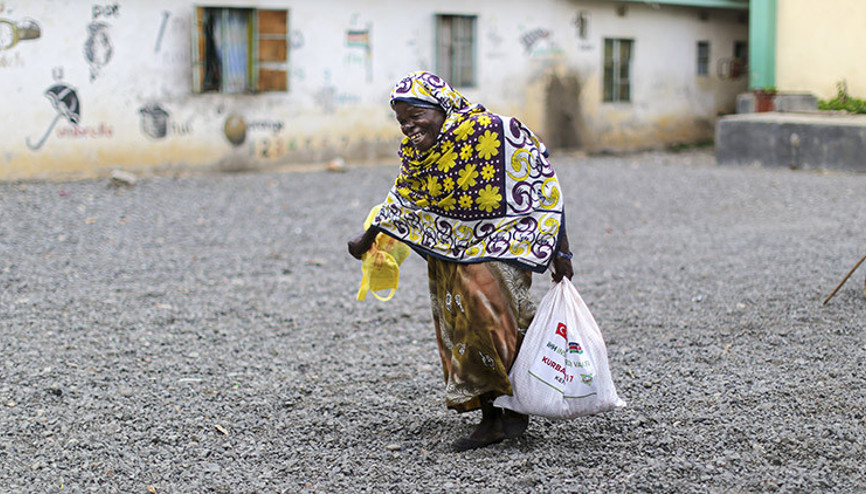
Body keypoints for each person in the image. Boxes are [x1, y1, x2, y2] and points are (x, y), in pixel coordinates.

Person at [348, 71, 573, 451]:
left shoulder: (494, 131)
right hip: (450, 253)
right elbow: (403, 199)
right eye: (401, 121)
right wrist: (367, 238)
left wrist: (562, 251)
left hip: (501, 246)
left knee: (498, 321)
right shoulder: (419, 152)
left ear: (441, 106)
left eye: (414, 116)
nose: (408, 128)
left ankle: (514, 404)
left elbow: (543, 183)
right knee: (464, 330)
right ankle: (492, 414)